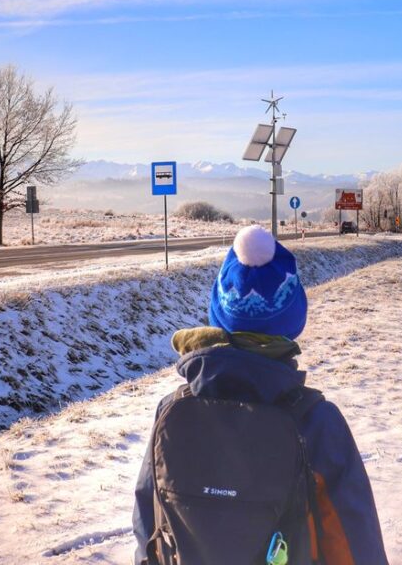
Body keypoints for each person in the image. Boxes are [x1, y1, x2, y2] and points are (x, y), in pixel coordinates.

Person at [133, 225, 388, 565]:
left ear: (218, 315)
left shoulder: (172, 410)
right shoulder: (316, 422)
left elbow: (148, 525)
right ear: (293, 321)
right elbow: (354, 545)